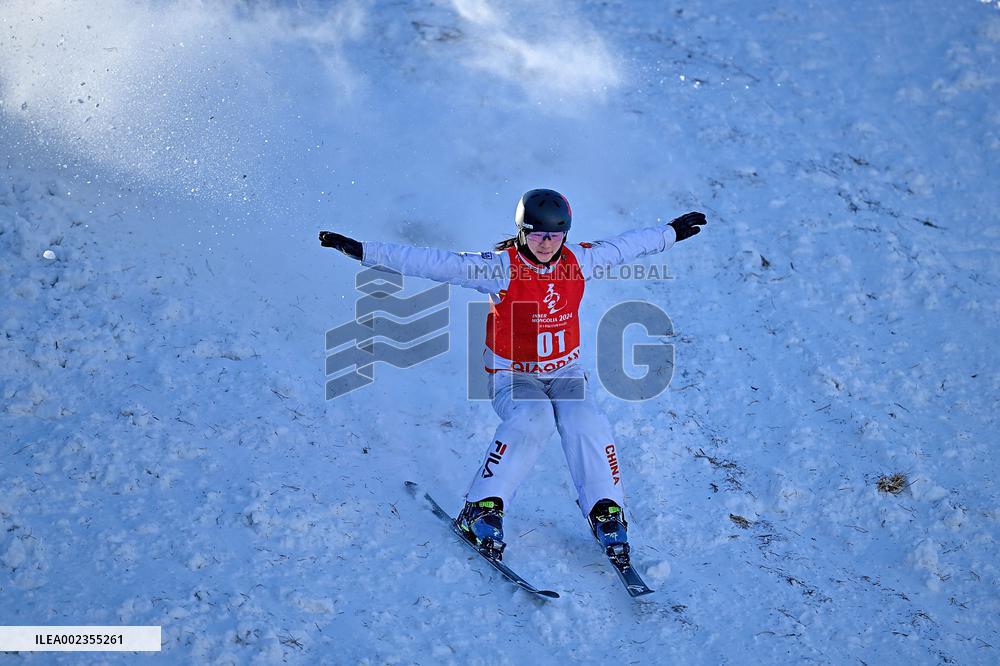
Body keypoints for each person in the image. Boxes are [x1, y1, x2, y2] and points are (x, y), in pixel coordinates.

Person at [319, 189, 706, 564]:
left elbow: (627, 246)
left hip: (566, 372)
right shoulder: (499, 267)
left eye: (554, 235)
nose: (546, 243)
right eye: (537, 234)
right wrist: (363, 251)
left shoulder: (579, 260)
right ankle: (481, 508)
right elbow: (434, 262)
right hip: (514, 375)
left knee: (584, 420)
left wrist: (671, 232)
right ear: (523, 232)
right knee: (532, 420)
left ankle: (606, 512)